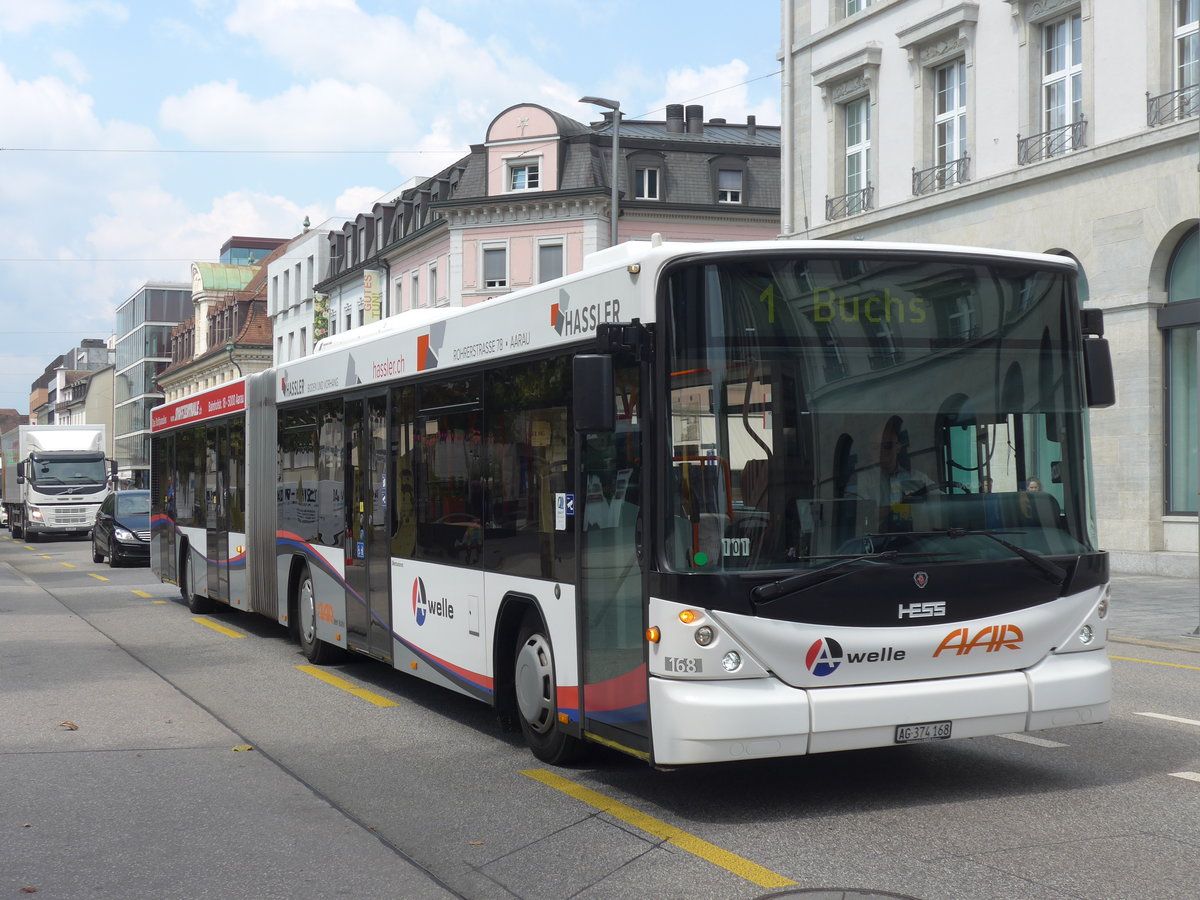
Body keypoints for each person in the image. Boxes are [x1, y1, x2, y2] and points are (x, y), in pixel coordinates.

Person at [850, 416, 939, 531]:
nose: (881, 452)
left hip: (914, 543)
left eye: (887, 446)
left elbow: (941, 502)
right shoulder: (859, 481)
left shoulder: (917, 477)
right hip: (873, 545)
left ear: (898, 447)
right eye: (875, 447)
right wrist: (900, 506)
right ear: (869, 450)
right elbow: (860, 516)